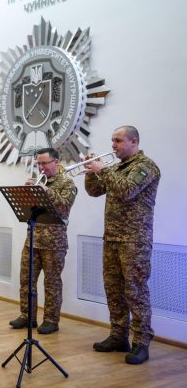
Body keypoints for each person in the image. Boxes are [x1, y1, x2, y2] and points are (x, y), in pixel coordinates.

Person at [85, 126, 160, 365]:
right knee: (114, 290)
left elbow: (127, 190)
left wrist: (103, 169)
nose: (113, 145)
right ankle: (118, 336)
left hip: (134, 241)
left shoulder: (145, 167)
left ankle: (141, 342)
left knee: (136, 292)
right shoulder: (117, 168)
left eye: (118, 140)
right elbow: (94, 191)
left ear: (133, 141)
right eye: (112, 140)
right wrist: (90, 172)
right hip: (112, 238)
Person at [9, 148, 77, 334]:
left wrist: (46, 191)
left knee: (52, 283)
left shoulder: (67, 183)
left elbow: (64, 208)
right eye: (38, 163)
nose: (40, 167)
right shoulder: (38, 180)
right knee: (26, 279)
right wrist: (25, 193)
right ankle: (27, 316)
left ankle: (51, 320)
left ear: (56, 162)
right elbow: (28, 210)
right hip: (33, 238)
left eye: (44, 163)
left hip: (54, 242)